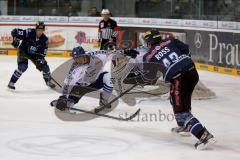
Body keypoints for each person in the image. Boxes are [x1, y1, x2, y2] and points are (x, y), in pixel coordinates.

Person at [142, 30, 216, 150]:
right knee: (177, 98)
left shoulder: (149, 55)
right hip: (192, 72)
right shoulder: (170, 40)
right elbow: (186, 50)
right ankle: (184, 126)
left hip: (178, 78)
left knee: (181, 111)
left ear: (149, 42)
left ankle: (204, 135)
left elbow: (150, 77)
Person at [50, 46, 114, 111]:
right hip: (80, 87)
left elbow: (112, 53)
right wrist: (63, 97)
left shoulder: (98, 56)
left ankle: (104, 101)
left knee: (109, 77)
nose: (78, 61)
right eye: (76, 59)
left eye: (79, 58)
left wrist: (123, 52)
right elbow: (68, 82)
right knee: (68, 105)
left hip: (95, 82)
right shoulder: (75, 67)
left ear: (84, 55)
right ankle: (59, 102)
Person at [8, 21, 55, 90]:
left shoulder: (44, 40)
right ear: (35, 29)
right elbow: (15, 31)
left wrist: (40, 60)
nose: (39, 32)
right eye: (38, 30)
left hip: (35, 55)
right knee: (23, 67)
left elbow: (42, 53)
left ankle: (48, 81)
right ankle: (11, 82)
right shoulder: (28, 32)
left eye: (41, 30)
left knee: (45, 66)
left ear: (43, 30)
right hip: (23, 51)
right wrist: (15, 39)